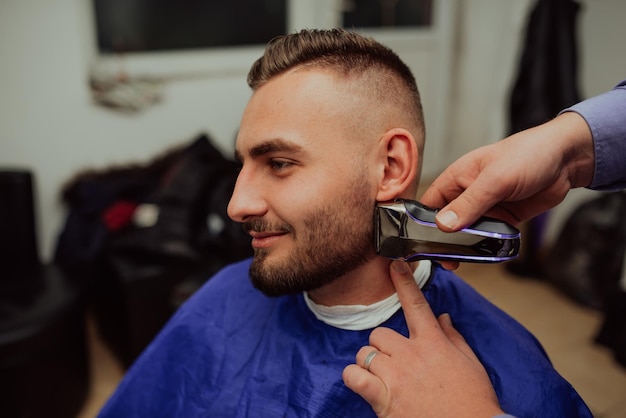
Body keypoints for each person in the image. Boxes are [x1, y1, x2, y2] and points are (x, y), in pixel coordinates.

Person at [98, 29, 592, 417]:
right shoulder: (226, 294)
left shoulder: (504, 378)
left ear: (390, 168)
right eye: (243, 164)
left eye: (280, 163)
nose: (236, 204)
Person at [354, 81, 626, 417]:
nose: (264, 202)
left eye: (281, 164)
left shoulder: (527, 386)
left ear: (391, 166)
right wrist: (568, 149)